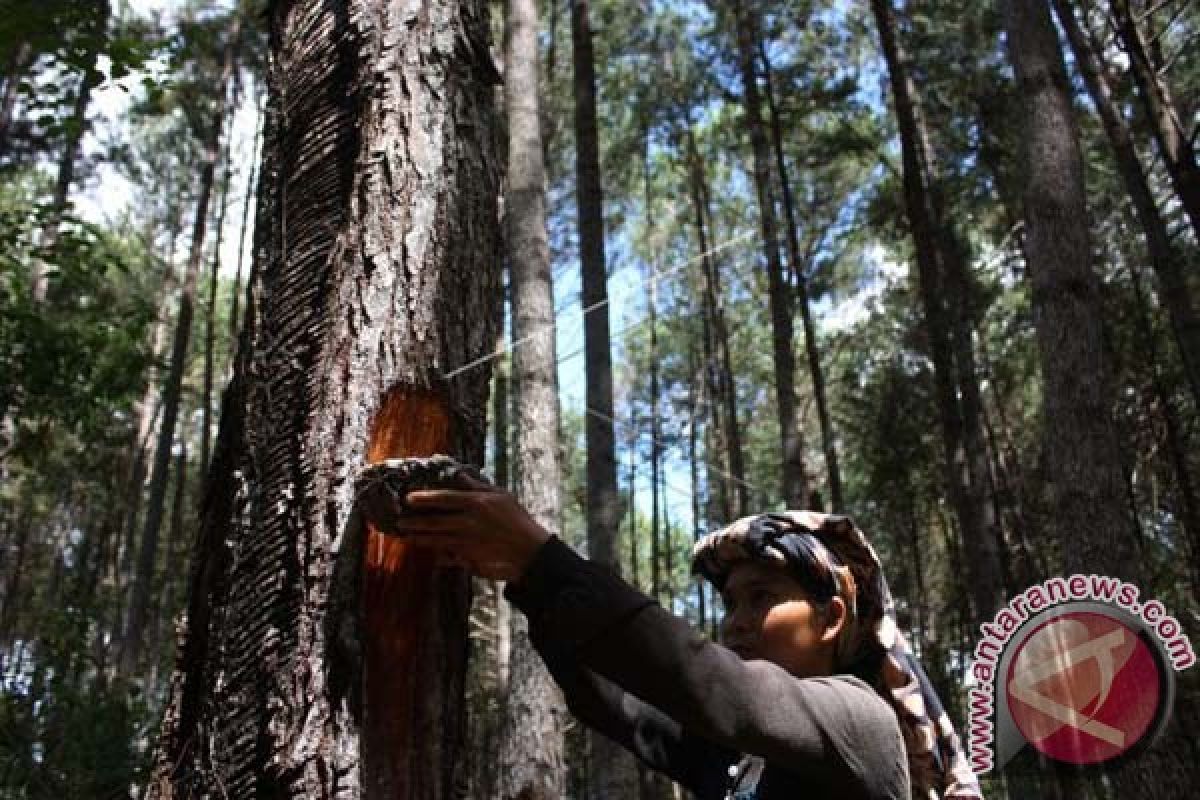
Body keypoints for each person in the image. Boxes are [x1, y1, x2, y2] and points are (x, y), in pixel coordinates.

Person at [362, 467, 983, 800]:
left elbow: (726, 695)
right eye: (732, 601)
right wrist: (526, 583)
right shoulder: (752, 765)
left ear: (834, 614)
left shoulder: (862, 720)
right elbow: (623, 708)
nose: (736, 621)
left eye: (762, 597)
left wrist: (543, 562)